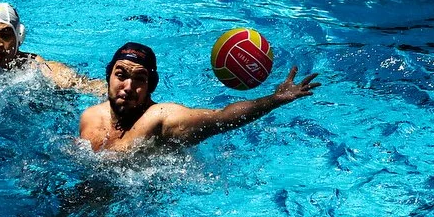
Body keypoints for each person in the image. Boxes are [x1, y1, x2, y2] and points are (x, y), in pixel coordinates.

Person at [79, 43, 318, 153]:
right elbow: (68, 79)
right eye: (121, 75)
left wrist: (273, 100)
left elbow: (220, 117)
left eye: (140, 79)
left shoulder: (160, 118)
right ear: (108, 76)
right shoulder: (92, 115)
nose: (128, 86)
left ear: (151, 86)